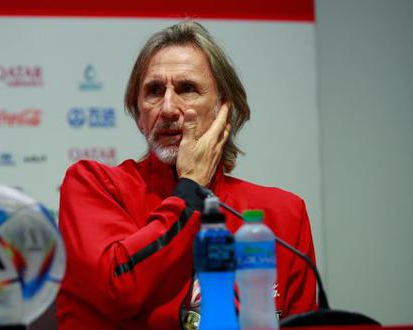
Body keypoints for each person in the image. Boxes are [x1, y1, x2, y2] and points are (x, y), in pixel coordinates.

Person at [56, 20, 317, 329]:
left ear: (223, 110)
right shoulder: (94, 184)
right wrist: (190, 187)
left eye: (187, 89)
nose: (168, 108)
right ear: (139, 115)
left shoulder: (283, 214)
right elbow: (119, 291)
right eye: (154, 91)